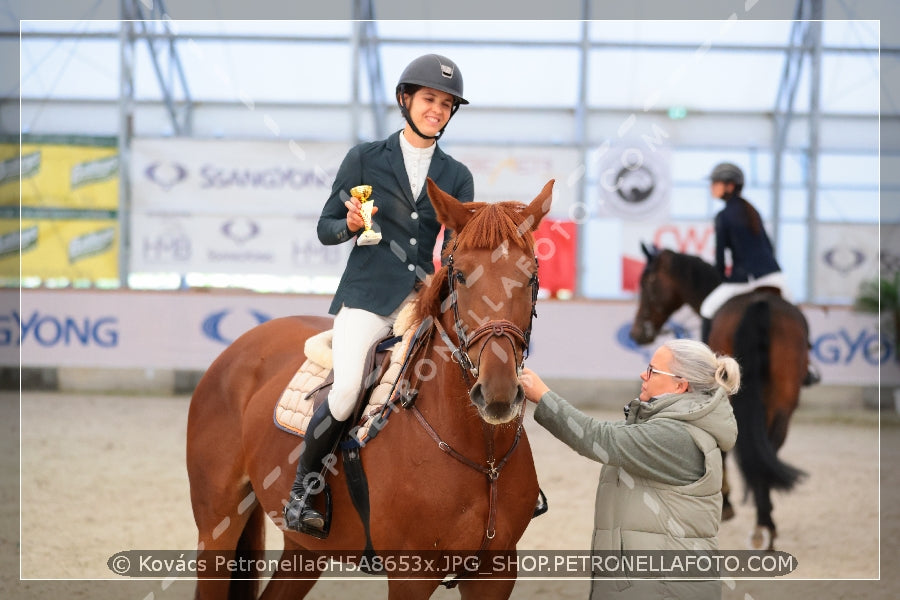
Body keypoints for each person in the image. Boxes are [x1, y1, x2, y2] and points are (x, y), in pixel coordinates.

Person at [283, 54, 475, 534]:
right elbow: (326, 228)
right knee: (347, 390)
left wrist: (446, 285)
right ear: (406, 100)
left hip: (420, 299)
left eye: (447, 104)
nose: (438, 110)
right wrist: (347, 224)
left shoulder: (457, 176)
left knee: (461, 379)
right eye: (430, 99)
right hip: (367, 295)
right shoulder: (365, 157)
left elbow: (453, 250)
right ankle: (302, 490)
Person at [520, 339, 739, 600]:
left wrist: (543, 396)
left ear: (680, 385)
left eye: (652, 370)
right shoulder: (668, 425)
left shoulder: (676, 436)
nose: (642, 375)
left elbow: (599, 439)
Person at [700, 162, 819, 385]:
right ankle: (807, 365)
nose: (711, 187)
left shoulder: (723, 215)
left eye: (714, 183)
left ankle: (707, 367)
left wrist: (721, 279)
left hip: (745, 279)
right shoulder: (751, 210)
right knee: (795, 313)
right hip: (773, 275)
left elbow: (719, 256)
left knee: (707, 308)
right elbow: (768, 246)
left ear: (729, 186)